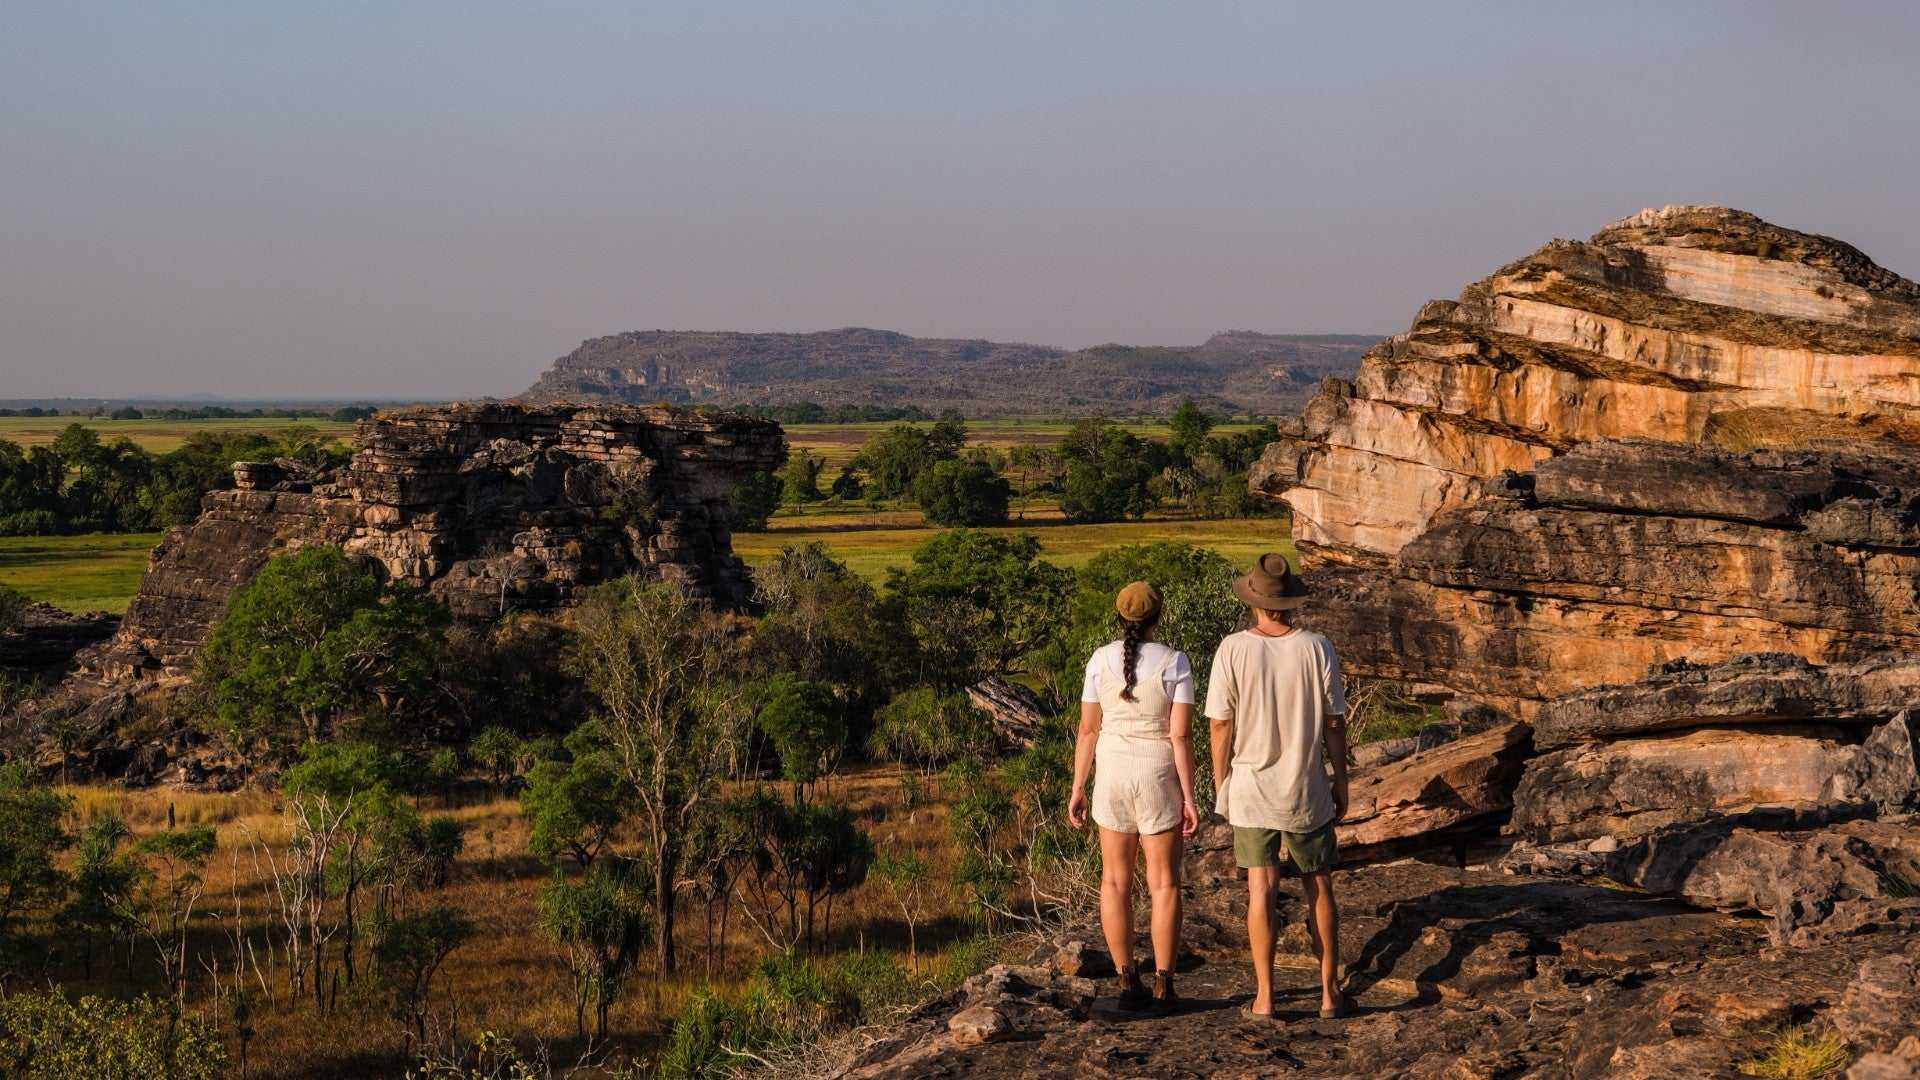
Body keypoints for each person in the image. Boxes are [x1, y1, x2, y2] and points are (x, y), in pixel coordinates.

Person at [1205, 552, 1351, 1020]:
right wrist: (1341, 778)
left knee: (1260, 889)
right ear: (1290, 602)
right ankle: (1329, 992)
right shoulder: (1317, 647)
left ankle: (1265, 996)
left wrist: (1220, 779)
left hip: (1251, 785)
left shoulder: (1233, 648)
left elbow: (1219, 725)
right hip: (1305, 785)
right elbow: (1334, 722)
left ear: (1254, 601)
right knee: (1320, 885)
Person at [1066, 581, 1200, 1012]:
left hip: (1111, 773)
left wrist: (1077, 788)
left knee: (1114, 881)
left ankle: (1127, 981)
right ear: (1158, 617)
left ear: (1119, 617)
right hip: (1157, 771)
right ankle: (1164, 982)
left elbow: (1088, 730)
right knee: (1164, 883)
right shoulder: (1175, 662)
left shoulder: (1099, 660)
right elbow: (1179, 734)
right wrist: (1190, 797)